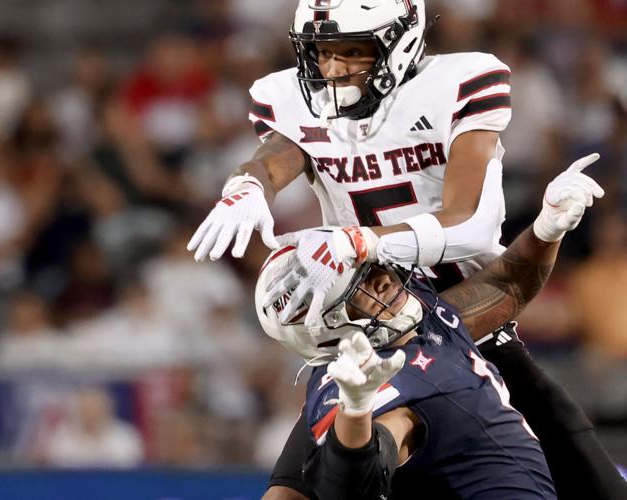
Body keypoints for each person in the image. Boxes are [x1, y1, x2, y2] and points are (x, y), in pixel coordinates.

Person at [187, 1, 625, 498]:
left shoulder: (457, 85)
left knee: (596, 485)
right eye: (321, 54)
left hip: (468, 327)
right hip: (363, 335)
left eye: (352, 52)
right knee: (292, 491)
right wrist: (247, 186)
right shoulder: (289, 99)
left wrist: (363, 239)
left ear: (399, 43)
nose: (332, 70)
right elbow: (271, 160)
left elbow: (472, 226)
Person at [253, 154, 609, 498]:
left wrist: (546, 228)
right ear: (329, 326)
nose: (384, 279)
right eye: (361, 284)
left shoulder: (416, 315)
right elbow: (352, 482)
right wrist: (357, 410)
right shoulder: (383, 384)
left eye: (371, 266)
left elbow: (503, 287)